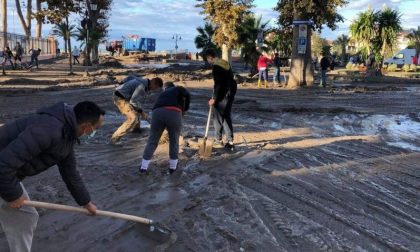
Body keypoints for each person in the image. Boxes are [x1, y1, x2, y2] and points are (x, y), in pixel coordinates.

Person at [0, 101, 105, 252]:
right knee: (24, 216)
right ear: (87, 126)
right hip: (4, 171)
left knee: (24, 217)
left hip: (7, 174)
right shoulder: (48, 129)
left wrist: (86, 203)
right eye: (96, 128)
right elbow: (3, 165)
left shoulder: (67, 134)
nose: (95, 132)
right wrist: (14, 195)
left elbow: (70, 173)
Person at [139, 82, 190, 174]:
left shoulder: (162, 94)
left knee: (152, 141)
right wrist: (185, 109)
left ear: (165, 88)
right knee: (174, 141)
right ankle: (172, 168)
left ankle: (143, 167)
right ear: (173, 86)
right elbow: (187, 95)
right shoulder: (178, 89)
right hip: (174, 112)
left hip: (157, 112)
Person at [111, 76, 163, 143]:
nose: (154, 90)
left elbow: (131, 77)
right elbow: (132, 101)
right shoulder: (142, 86)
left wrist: (121, 83)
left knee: (138, 109)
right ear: (153, 83)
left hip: (124, 96)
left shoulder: (143, 80)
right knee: (133, 118)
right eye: (155, 88)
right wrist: (142, 113)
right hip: (119, 98)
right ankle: (114, 139)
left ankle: (136, 130)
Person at [205, 48, 237, 151]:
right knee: (223, 116)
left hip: (223, 94)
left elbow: (218, 84)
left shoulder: (216, 67)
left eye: (208, 59)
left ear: (210, 57)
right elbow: (230, 79)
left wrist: (214, 98)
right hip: (230, 92)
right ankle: (220, 138)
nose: (208, 61)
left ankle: (227, 140)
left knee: (221, 117)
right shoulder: (224, 63)